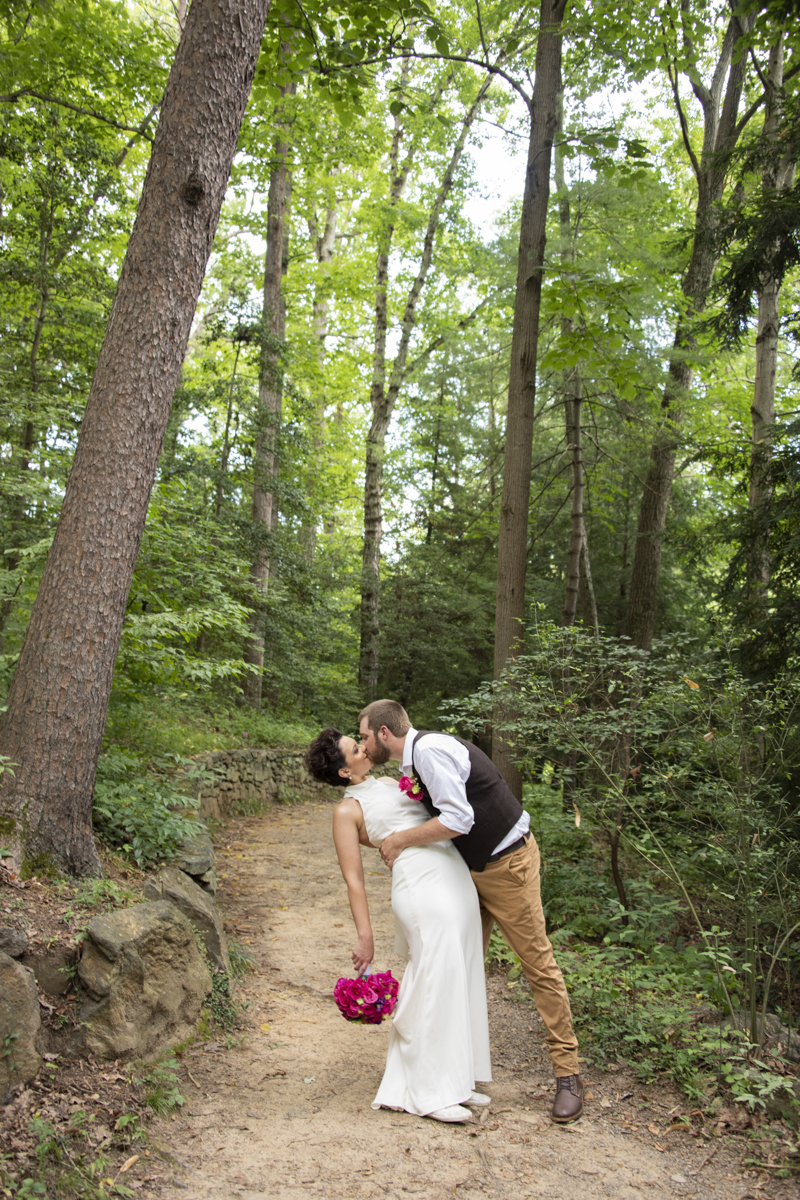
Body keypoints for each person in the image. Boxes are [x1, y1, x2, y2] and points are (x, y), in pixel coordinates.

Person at [358, 699, 583, 1124]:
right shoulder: (410, 765)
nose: (364, 742)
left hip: (508, 865)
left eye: (365, 735)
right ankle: (452, 1076)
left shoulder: (428, 751)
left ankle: (569, 1075)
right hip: (468, 873)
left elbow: (459, 819)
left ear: (384, 734)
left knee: (538, 965)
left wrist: (402, 840)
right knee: (457, 967)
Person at [306, 727, 492, 1124]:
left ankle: (455, 1079)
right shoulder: (347, 811)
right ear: (343, 772)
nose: (365, 747)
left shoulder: (392, 781)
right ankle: (428, 1091)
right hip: (420, 884)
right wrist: (365, 936)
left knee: (457, 970)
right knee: (433, 977)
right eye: (356, 748)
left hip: (452, 872)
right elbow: (354, 879)